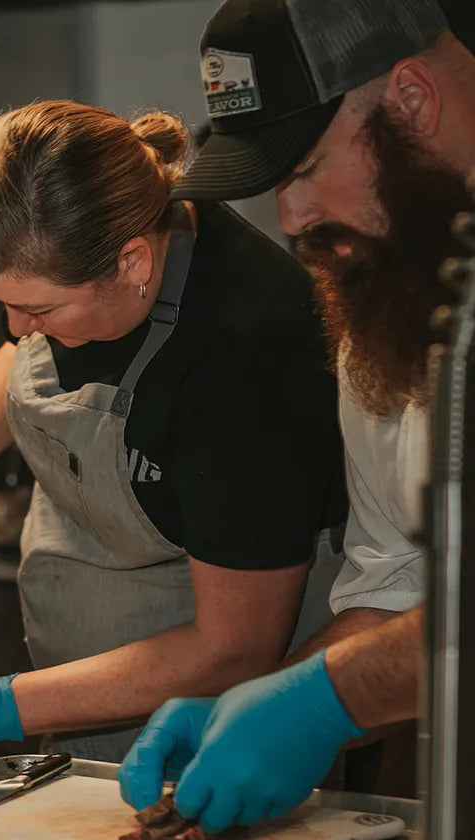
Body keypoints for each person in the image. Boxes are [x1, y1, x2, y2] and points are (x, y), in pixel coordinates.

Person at [0, 100, 348, 762]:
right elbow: (31, 357)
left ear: (133, 263)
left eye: (38, 308)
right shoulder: (83, 261)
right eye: (7, 306)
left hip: (222, 734)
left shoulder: (246, 353)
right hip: (80, 698)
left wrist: (2, 706)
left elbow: (235, 647)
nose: (18, 330)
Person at [119, 0, 475, 828]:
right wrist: (267, 699)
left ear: (413, 102)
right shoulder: (386, 304)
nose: (289, 219)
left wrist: (326, 699)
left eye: (303, 167)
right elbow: (398, 585)